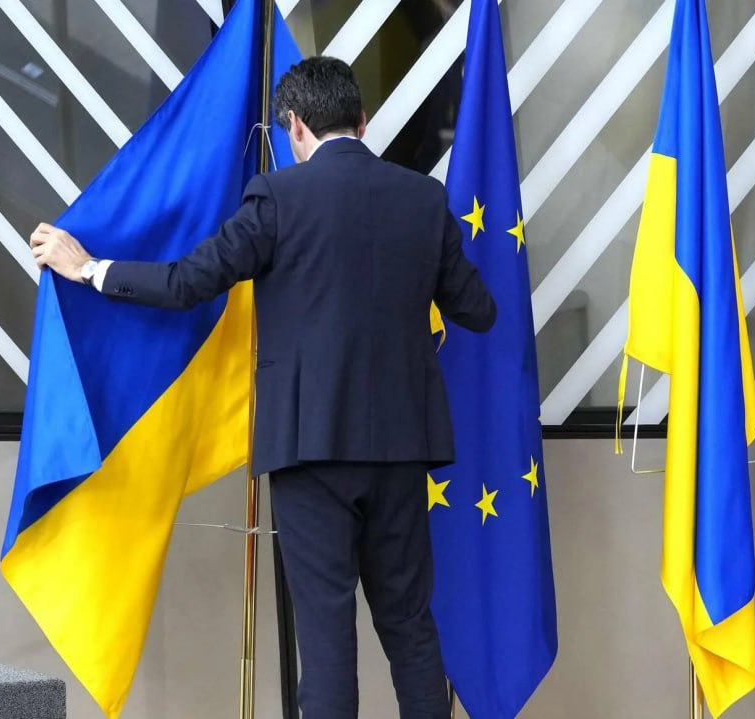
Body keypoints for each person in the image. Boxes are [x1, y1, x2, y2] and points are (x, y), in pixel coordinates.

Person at [30, 57, 496, 719]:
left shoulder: (277, 198)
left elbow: (187, 283)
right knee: (411, 629)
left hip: (309, 450)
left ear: (294, 125)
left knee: (327, 641)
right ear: (362, 121)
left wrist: (89, 269)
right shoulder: (423, 199)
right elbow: (479, 311)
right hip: (403, 447)